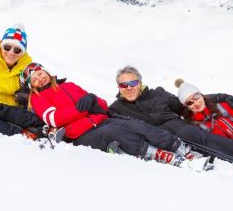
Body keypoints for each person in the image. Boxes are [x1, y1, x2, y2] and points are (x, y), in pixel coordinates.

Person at [19, 62, 208, 167]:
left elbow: (102, 105)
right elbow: (54, 119)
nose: (40, 78)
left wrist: (92, 100)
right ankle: (159, 155)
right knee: (114, 133)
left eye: (40, 73)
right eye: (34, 79)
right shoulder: (37, 99)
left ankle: (182, 149)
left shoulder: (69, 85)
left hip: (101, 120)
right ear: (31, 85)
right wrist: (81, 109)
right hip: (80, 134)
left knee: (137, 125)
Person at [108, 65, 233, 168]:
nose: (129, 88)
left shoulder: (159, 95)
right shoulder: (116, 109)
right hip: (167, 145)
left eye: (133, 83)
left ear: (140, 83)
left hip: (188, 133)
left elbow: (188, 102)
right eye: (123, 85)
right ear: (119, 88)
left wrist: (219, 97)